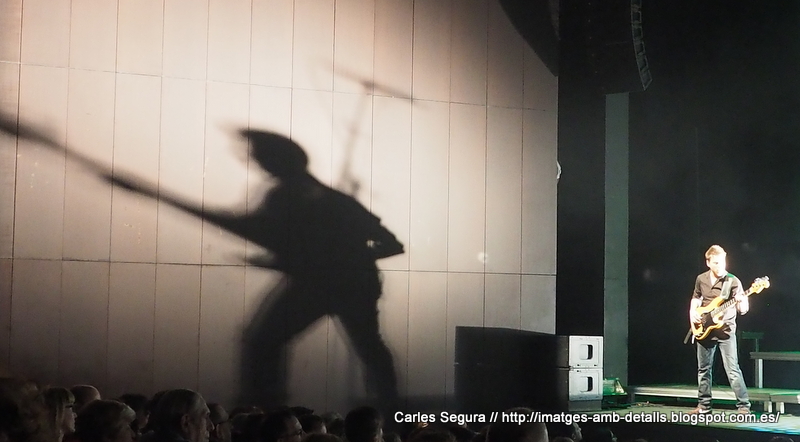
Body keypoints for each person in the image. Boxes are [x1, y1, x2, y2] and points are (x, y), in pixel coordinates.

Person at [688, 245, 750, 413]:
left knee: (732, 369)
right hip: (704, 328)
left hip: (726, 331)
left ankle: (744, 406)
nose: (720, 265)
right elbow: (696, 298)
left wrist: (741, 301)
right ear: (708, 263)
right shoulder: (701, 279)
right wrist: (693, 314)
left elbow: (744, 310)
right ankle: (704, 405)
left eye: (722, 262)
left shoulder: (733, 281)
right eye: (716, 263)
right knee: (703, 369)